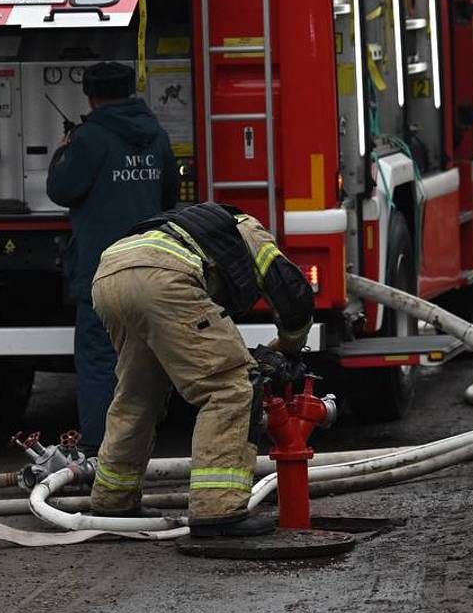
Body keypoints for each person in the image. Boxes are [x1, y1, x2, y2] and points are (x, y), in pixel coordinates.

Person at [88, 201, 314, 537]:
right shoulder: (249, 229)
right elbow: (291, 291)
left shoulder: (188, 228)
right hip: (166, 279)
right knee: (231, 388)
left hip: (109, 275)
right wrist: (291, 348)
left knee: (138, 394)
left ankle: (113, 501)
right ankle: (217, 509)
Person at [46, 61, 178, 457]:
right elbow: (168, 194)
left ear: (91, 96)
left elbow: (61, 189)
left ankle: (100, 448)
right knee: (147, 358)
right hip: (152, 262)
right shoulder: (156, 135)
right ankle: (144, 439)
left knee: (100, 359)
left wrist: (63, 152)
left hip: (103, 269)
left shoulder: (89, 139)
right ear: (130, 91)